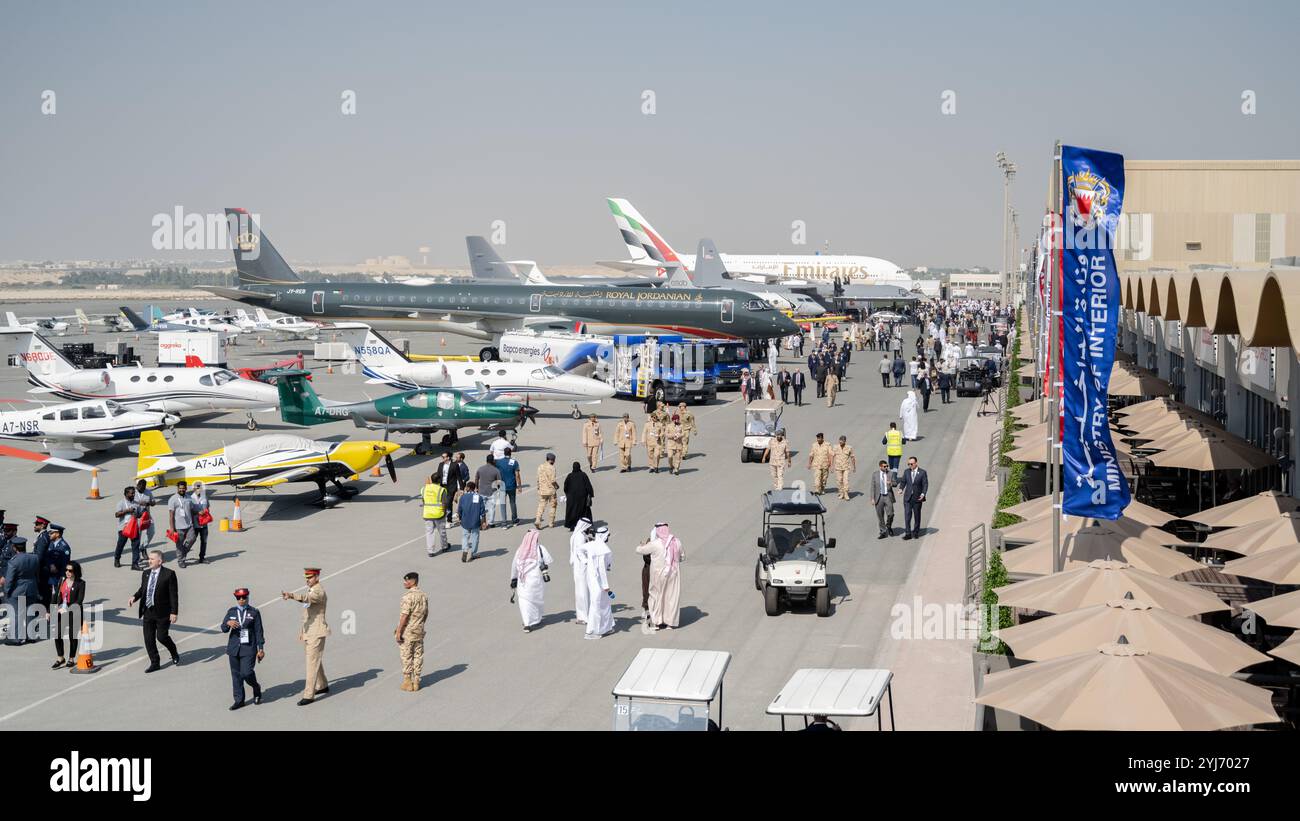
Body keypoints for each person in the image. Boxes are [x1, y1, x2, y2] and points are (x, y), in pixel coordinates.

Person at [282, 567, 329, 706]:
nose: (307, 580)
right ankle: (323, 684)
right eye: (306, 577)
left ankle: (309, 694)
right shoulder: (312, 588)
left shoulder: (318, 591)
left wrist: (292, 596)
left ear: (317, 577)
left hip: (316, 632)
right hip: (310, 632)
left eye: (310, 577)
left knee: (311, 662)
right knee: (315, 660)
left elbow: (307, 599)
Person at [127, 549, 180, 672]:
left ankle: (173, 651)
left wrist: (174, 612)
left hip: (163, 613)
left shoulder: (169, 574)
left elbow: (173, 595)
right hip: (148, 611)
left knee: (161, 637)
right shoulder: (146, 573)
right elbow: (143, 589)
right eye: (149, 558)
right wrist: (134, 597)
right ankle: (155, 662)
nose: (149, 561)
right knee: (148, 639)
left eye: (152, 559)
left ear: (159, 561)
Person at [221, 587, 265, 709]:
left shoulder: (254, 612)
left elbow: (259, 631)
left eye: (244, 597)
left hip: (248, 648)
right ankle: (239, 700)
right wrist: (227, 623)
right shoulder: (231, 612)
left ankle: (256, 687)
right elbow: (223, 629)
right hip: (234, 648)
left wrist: (260, 648)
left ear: (248, 597)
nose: (241, 600)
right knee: (236, 675)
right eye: (239, 598)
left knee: (246, 673)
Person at [637, 523, 683, 631]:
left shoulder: (655, 543)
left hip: (658, 575)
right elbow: (682, 556)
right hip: (673, 574)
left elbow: (639, 550)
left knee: (655, 597)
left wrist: (642, 545)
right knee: (671, 598)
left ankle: (656, 622)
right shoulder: (676, 541)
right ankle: (670, 623)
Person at [511, 529, 553, 633]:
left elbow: (514, 565)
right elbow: (548, 561)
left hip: (523, 581)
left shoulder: (520, 550)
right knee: (536, 600)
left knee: (524, 600)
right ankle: (531, 621)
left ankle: (528, 623)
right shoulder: (540, 549)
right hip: (536, 581)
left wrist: (513, 578)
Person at [395, 572, 428, 692]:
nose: (404, 583)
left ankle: (408, 681)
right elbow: (426, 614)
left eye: (406, 580)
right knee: (418, 655)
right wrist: (420, 625)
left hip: (408, 631)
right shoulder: (423, 595)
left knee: (407, 655)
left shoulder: (408, 597)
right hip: (419, 630)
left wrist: (399, 632)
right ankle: (417, 681)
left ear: (413, 581)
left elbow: (404, 616)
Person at [2, 537, 38, 644]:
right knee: (30, 613)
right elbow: (37, 574)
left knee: (16, 614)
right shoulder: (34, 558)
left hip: (17, 590)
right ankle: (30, 636)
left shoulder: (13, 561)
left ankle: (16, 638)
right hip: (32, 587)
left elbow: (9, 579)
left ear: (14, 547)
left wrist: (6, 591)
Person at [51, 560, 85, 669]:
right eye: (66, 570)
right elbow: (56, 595)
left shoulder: (81, 583)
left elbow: (79, 600)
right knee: (57, 634)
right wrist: (49, 610)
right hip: (62, 611)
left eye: (70, 570)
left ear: (75, 571)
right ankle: (60, 657)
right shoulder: (62, 580)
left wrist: (67, 609)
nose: (67, 572)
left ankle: (71, 658)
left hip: (74, 612)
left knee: (72, 636)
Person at [584, 525, 614, 639]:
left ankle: (606, 627)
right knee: (597, 604)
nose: (608, 537)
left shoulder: (591, 544)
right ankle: (593, 630)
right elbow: (602, 569)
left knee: (604, 603)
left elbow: (579, 550)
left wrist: (585, 561)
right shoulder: (604, 549)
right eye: (608, 535)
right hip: (599, 581)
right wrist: (605, 585)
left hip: (591, 578)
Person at [113, 486, 146, 569]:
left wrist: (143, 511)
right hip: (124, 528)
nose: (133, 494)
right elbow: (117, 515)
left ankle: (135, 564)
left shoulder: (136, 503)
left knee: (136, 546)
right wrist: (127, 511)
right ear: (126, 494)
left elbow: (139, 515)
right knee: (120, 545)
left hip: (134, 528)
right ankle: (117, 559)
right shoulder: (121, 503)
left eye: (134, 493)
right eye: (131, 493)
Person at [167, 481, 198, 568]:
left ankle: (182, 553)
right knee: (179, 544)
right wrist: (172, 528)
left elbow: (192, 511)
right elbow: (171, 515)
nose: (181, 490)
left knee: (192, 539)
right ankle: (181, 561)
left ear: (186, 488)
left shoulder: (189, 498)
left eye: (183, 488)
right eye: (180, 488)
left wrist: (200, 512)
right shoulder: (172, 499)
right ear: (177, 488)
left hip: (189, 525)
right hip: (178, 526)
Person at [456, 481, 488, 562]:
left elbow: (459, 509)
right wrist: (484, 522)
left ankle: (465, 549)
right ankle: (473, 553)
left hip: (465, 521)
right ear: (474, 488)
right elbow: (482, 511)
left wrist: (460, 518)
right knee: (475, 537)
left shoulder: (463, 497)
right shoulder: (479, 497)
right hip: (475, 521)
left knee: (465, 536)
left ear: (468, 488)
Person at [421, 473, 451, 555]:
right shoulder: (441, 490)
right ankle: (444, 546)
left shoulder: (424, 489)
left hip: (427, 514)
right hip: (438, 514)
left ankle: (430, 551)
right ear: (439, 480)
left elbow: (423, 501)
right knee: (442, 531)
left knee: (429, 532)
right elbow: (444, 503)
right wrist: (445, 512)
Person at [900, 456, 930, 541]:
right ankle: (908, 533)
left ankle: (916, 532)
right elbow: (903, 482)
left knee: (917, 516)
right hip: (908, 498)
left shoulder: (922, 472)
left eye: (911, 464)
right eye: (908, 464)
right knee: (907, 516)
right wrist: (901, 489)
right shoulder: (906, 472)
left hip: (917, 498)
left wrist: (923, 494)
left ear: (916, 463)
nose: (910, 465)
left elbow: (925, 484)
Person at [570, 518, 592, 626]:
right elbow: (579, 551)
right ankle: (584, 617)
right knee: (582, 591)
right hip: (581, 567)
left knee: (580, 591)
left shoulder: (577, 534)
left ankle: (581, 616)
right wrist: (587, 561)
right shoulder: (580, 537)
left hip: (578, 567)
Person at [44, 524, 71, 606]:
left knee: (57, 597)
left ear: (58, 534)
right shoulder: (52, 543)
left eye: (51, 533)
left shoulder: (64, 547)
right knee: (52, 596)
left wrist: (62, 577)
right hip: (51, 575)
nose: (49, 535)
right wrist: (51, 564)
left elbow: (65, 564)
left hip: (58, 577)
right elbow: (47, 556)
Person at [563, 462, 595, 529]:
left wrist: (567, 494)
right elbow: (588, 485)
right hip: (582, 498)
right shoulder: (583, 475)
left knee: (572, 512)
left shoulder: (570, 476)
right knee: (583, 512)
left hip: (572, 498)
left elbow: (565, 487)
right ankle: (584, 525)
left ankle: (572, 525)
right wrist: (591, 494)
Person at [870, 460, 897, 539]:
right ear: (880, 466)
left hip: (888, 496)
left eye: (887, 466)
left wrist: (891, 483)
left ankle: (889, 526)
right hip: (879, 497)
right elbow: (872, 487)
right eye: (884, 466)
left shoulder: (890, 473)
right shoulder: (875, 474)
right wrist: (872, 498)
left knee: (891, 513)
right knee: (880, 516)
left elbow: (895, 483)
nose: (886, 468)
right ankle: (883, 531)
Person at [496, 447, 522, 528]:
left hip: (502, 486)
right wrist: (519, 486)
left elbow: (496, 473)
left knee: (503, 504)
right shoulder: (514, 462)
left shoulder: (498, 462)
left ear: (504, 453)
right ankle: (514, 520)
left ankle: (504, 523)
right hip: (512, 485)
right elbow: (517, 475)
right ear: (510, 453)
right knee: (512, 502)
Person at [535, 453, 559, 529]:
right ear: (552, 460)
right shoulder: (552, 468)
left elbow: (538, 479)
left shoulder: (540, 467)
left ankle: (538, 520)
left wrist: (538, 487)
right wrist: (557, 486)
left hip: (542, 490)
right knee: (553, 506)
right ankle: (551, 523)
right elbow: (553, 480)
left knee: (541, 505)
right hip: (551, 490)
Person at [189, 482, 211, 563]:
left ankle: (202, 557)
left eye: (200, 488)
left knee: (204, 541)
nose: (198, 489)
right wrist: (198, 513)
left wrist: (206, 513)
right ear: (193, 489)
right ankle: (183, 556)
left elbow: (208, 506)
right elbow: (189, 511)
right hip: (195, 524)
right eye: (197, 488)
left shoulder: (204, 497)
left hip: (204, 524)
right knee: (191, 540)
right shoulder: (190, 498)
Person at [832, 436, 857, 501]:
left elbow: (852, 457)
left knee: (845, 481)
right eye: (840, 440)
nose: (840, 442)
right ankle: (841, 492)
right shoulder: (835, 447)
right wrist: (831, 466)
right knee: (839, 480)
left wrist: (854, 467)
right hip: (838, 467)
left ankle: (846, 493)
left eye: (842, 441)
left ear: (845, 441)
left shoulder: (849, 448)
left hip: (846, 467)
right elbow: (832, 456)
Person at [134, 479, 157, 549]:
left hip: (147, 515)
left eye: (143, 488)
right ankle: (137, 553)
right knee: (138, 535)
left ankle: (143, 547)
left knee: (151, 532)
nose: (141, 489)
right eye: (139, 487)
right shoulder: (133, 492)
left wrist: (148, 503)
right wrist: (138, 504)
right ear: (137, 486)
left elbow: (154, 502)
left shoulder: (148, 492)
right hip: (137, 517)